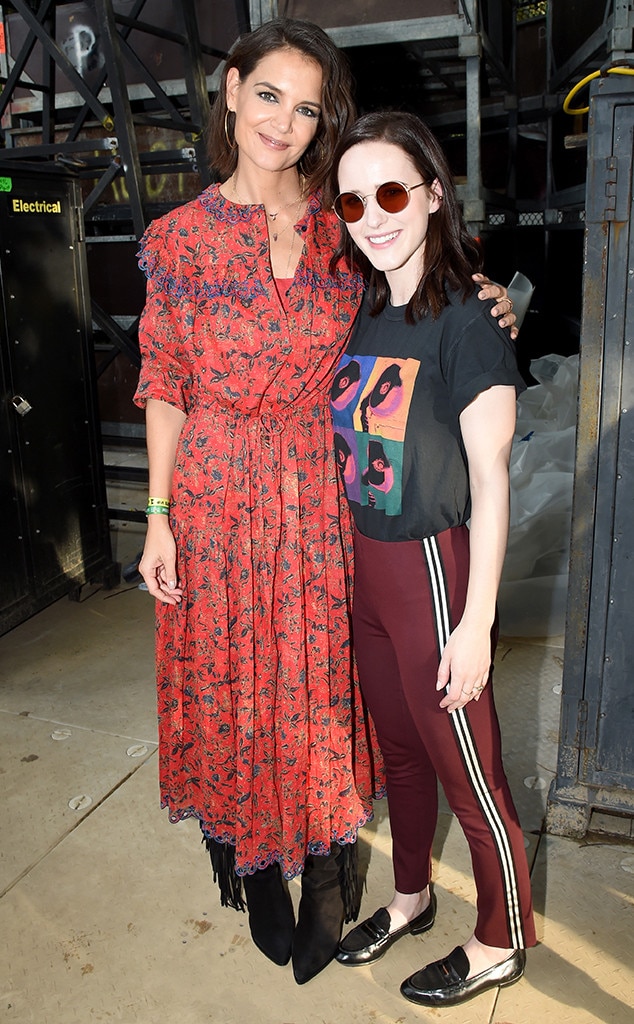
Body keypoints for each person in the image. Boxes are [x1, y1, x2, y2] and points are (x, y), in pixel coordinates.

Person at [134, 17, 517, 986]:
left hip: (323, 492)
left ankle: (330, 864)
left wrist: (489, 299)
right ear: (229, 91)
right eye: (268, 96)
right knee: (232, 683)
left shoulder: (342, 221)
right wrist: (159, 514)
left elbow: (418, 283)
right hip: (217, 493)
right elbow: (166, 380)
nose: (285, 123)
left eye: (308, 108)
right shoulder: (176, 239)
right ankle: (255, 860)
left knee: (320, 689)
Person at [328, 110, 536, 1006]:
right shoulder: (365, 307)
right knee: (404, 759)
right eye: (350, 200)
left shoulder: (467, 322)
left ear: (432, 194)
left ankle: (501, 936)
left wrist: (477, 623)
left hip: (431, 569)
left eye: (389, 192)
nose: (371, 216)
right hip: (369, 572)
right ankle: (410, 899)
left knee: (468, 772)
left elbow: (492, 482)